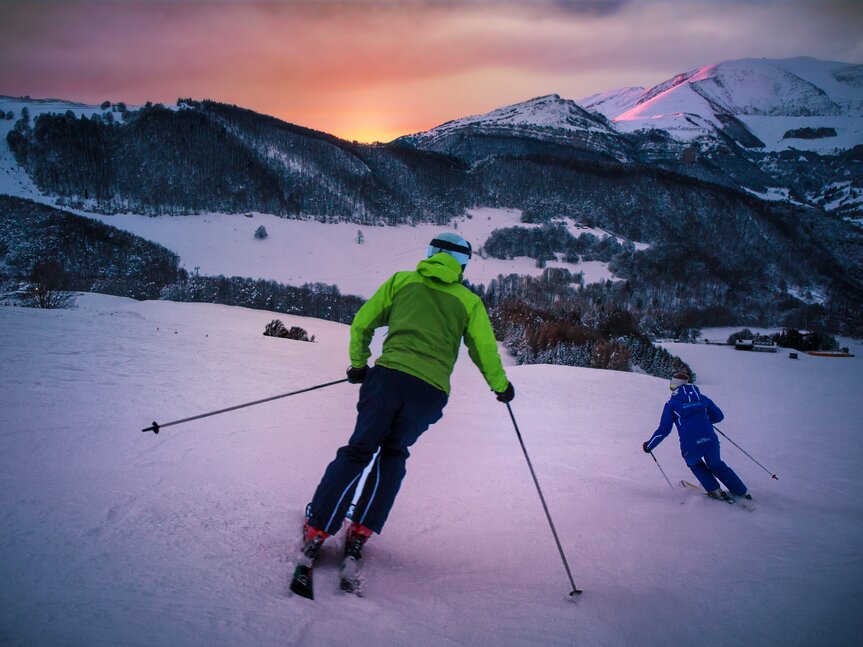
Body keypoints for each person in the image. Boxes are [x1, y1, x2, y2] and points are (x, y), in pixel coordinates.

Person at [299, 232, 514, 571]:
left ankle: (318, 527)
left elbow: (363, 323)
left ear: (431, 253)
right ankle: (361, 530)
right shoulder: (469, 301)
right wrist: (500, 387)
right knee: (393, 454)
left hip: (387, 380)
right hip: (429, 393)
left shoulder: (402, 281)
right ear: (462, 264)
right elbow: (484, 349)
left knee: (359, 451)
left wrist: (359, 365)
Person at [643, 372, 750, 500]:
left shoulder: (672, 404)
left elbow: (664, 429)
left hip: (690, 445)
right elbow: (719, 416)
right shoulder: (702, 398)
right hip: (710, 440)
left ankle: (714, 490)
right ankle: (742, 492)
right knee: (717, 465)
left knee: (695, 464)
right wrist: (704, 420)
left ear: (675, 385)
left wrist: (649, 445)